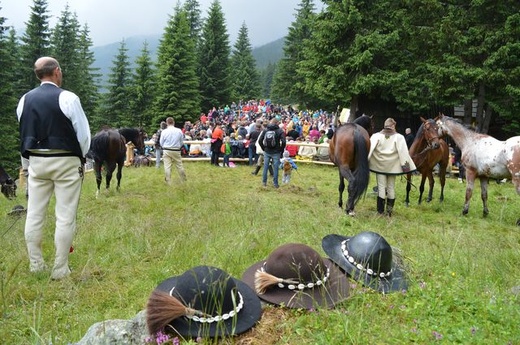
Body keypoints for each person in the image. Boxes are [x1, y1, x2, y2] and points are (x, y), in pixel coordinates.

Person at [17, 56, 91, 280]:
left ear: (37, 74)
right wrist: (81, 158)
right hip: (66, 161)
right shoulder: (68, 98)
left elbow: (24, 132)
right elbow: (83, 135)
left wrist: (27, 165)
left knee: (35, 214)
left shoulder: (24, 100)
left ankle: (36, 264)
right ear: (56, 72)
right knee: (65, 215)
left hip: (36, 162)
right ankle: (60, 268)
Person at [368, 118, 416, 216]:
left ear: (384, 125)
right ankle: (389, 212)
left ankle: (380, 212)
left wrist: (364, 162)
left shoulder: (376, 136)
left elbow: (369, 150)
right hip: (393, 168)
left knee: (381, 188)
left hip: (380, 167)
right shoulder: (400, 137)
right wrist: (406, 168)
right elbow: (403, 153)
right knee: (391, 188)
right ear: (393, 126)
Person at [258, 118, 286, 188]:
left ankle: (264, 182)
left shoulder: (266, 130)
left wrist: (264, 148)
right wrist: (281, 150)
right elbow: (284, 142)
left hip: (267, 151)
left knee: (265, 167)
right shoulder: (280, 131)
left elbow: (260, 140)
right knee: (276, 168)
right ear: (277, 123)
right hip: (276, 151)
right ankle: (275, 184)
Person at [160, 117, 186, 185]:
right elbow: (181, 141)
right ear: (173, 122)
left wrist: (164, 147)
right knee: (179, 165)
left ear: (167, 123)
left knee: (167, 166)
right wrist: (178, 146)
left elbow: (161, 142)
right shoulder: (179, 130)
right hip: (176, 149)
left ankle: (168, 181)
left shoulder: (164, 131)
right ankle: (183, 180)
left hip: (166, 149)